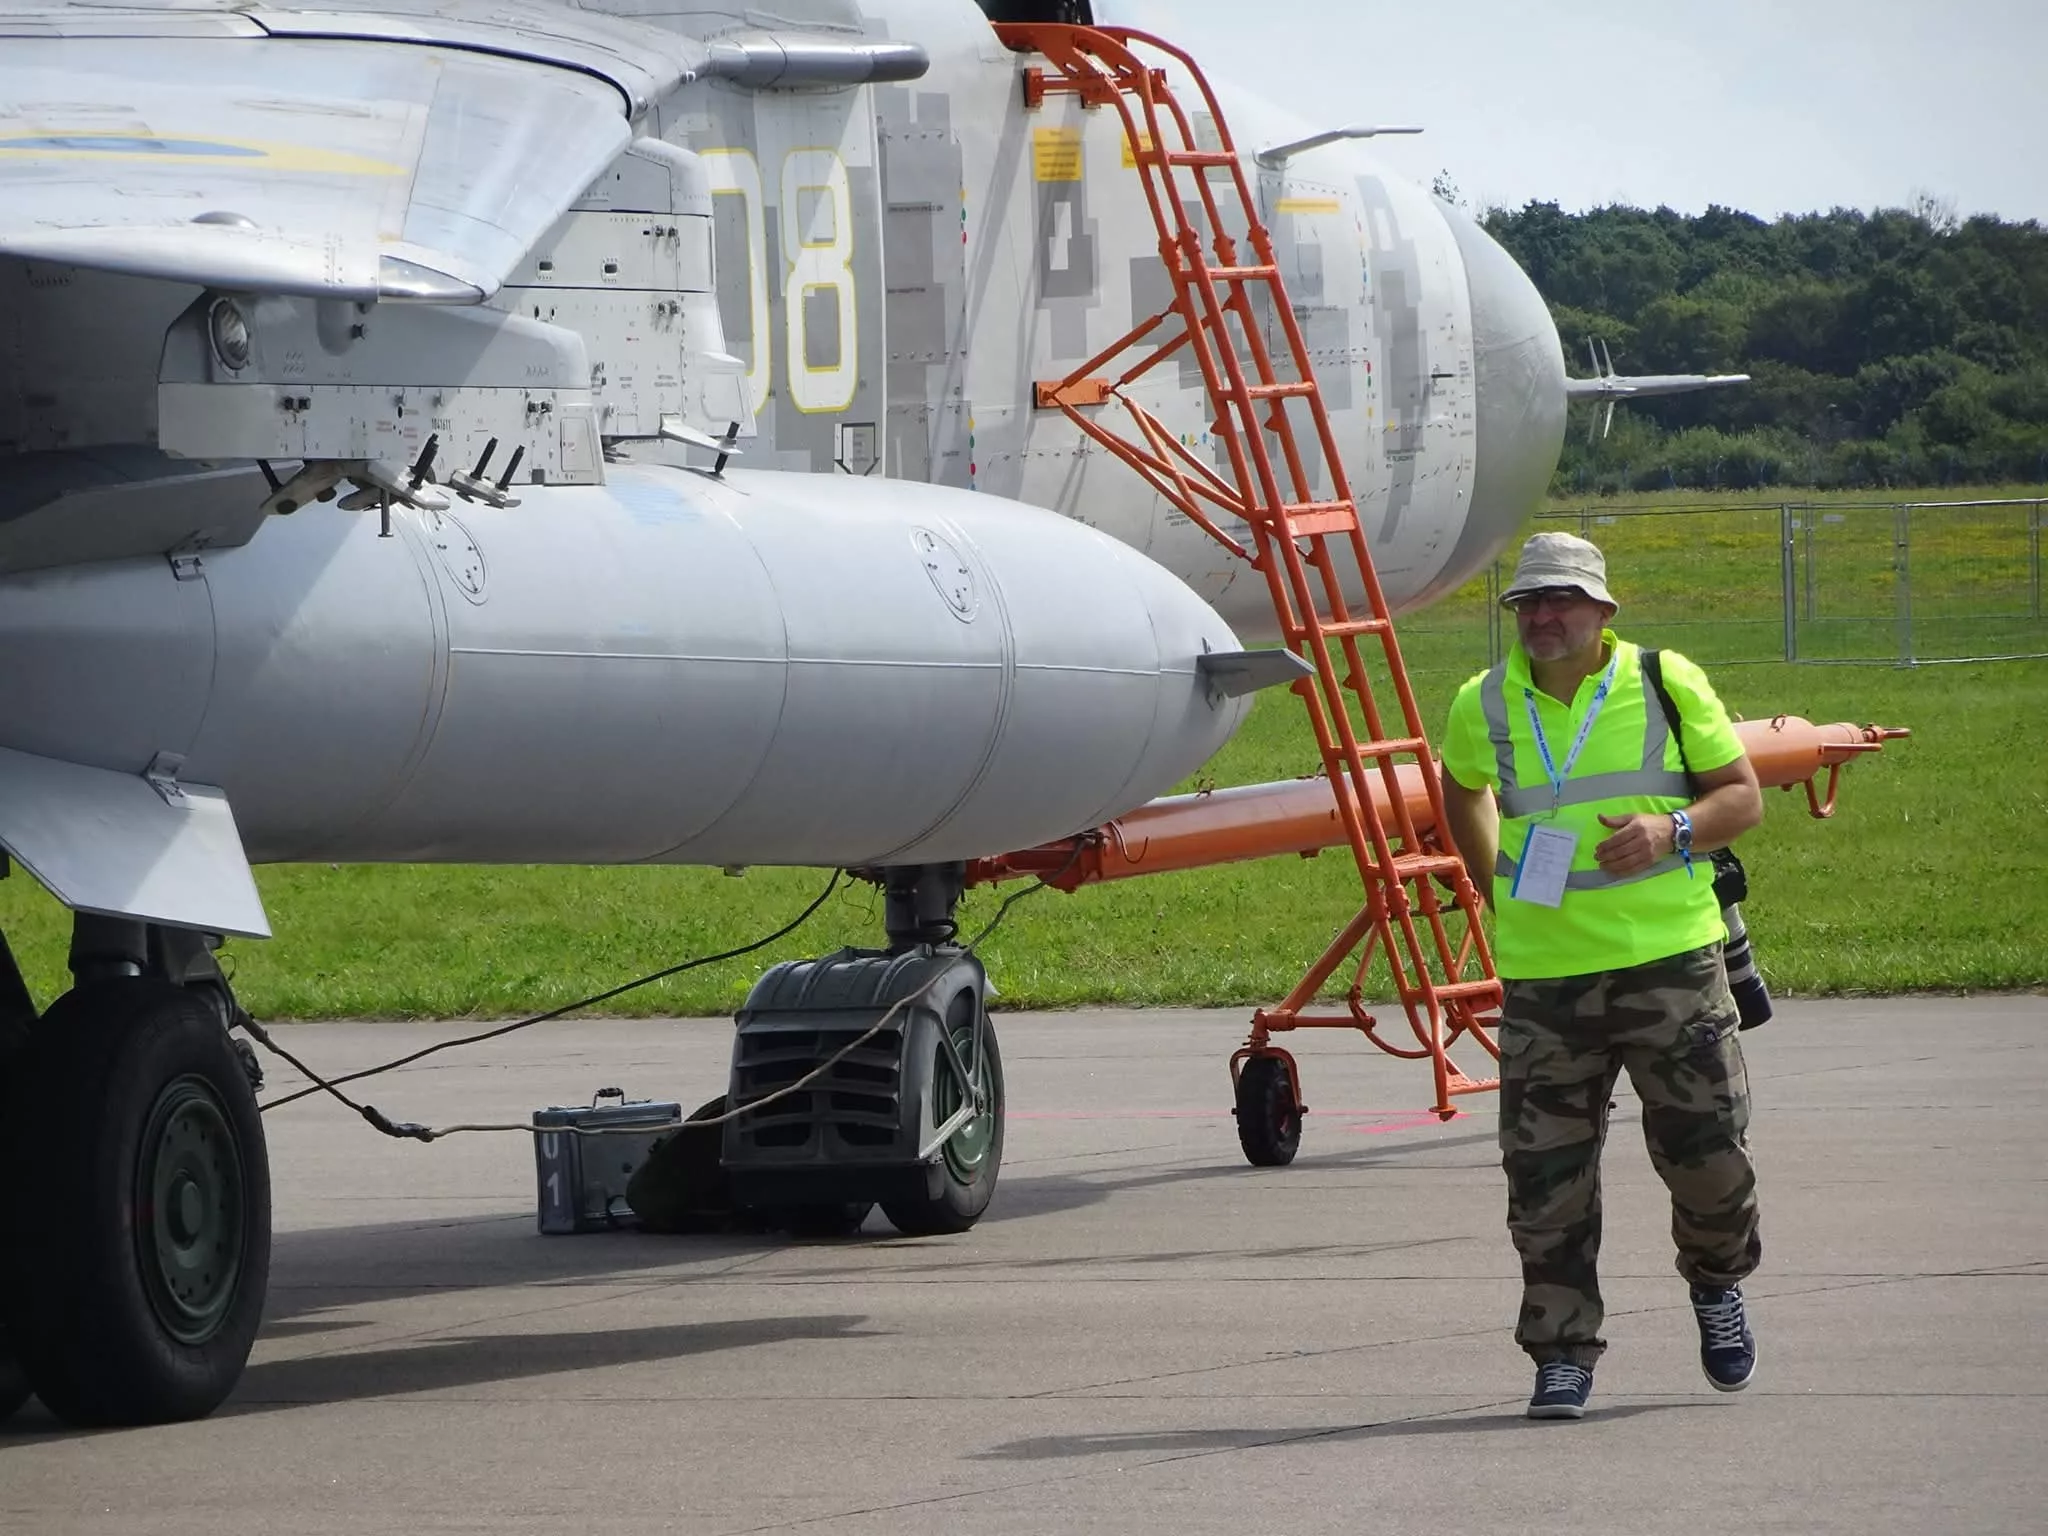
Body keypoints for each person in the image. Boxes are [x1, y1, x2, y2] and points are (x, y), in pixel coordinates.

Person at [1439, 531, 1766, 1421]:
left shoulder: (1665, 680)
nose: (1544, 618)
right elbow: (1458, 786)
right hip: (1547, 979)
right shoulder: (1484, 702)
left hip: (1670, 964)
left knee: (1709, 1161)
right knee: (1545, 1180)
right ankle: (1561, 1351)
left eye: (1563, 602)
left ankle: (1717, 1282)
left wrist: (1674, 832)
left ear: (1603, 612)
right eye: (1529, 603)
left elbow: (1743, 796)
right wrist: (1490, 881)